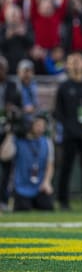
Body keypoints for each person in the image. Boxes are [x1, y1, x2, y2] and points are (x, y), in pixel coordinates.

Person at [54, 52, 82, 210]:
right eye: (72, 61)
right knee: (66, 167)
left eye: (79, 61)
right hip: (70, 134)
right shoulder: (64, 87)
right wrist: (70, 127)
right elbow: (58, 112)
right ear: (68, 65)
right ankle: (62, 200)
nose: (76, 64)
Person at [12, 113, 55, 211]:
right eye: (38, 125)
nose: (41, 129)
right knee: (23, 208)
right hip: (21, 187)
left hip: (39, 186)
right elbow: (4, 155)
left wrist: (46, 182)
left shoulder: (47, 142)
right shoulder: (18, 141)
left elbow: (50, 164)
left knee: (47, 206)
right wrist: (10, 133)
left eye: (43, 126)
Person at [0, 56, 22, 211]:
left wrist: (13, 110)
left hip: (6, 131)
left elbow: (19, 108)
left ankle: (4, 200)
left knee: (7, 168)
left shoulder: (12, 85)